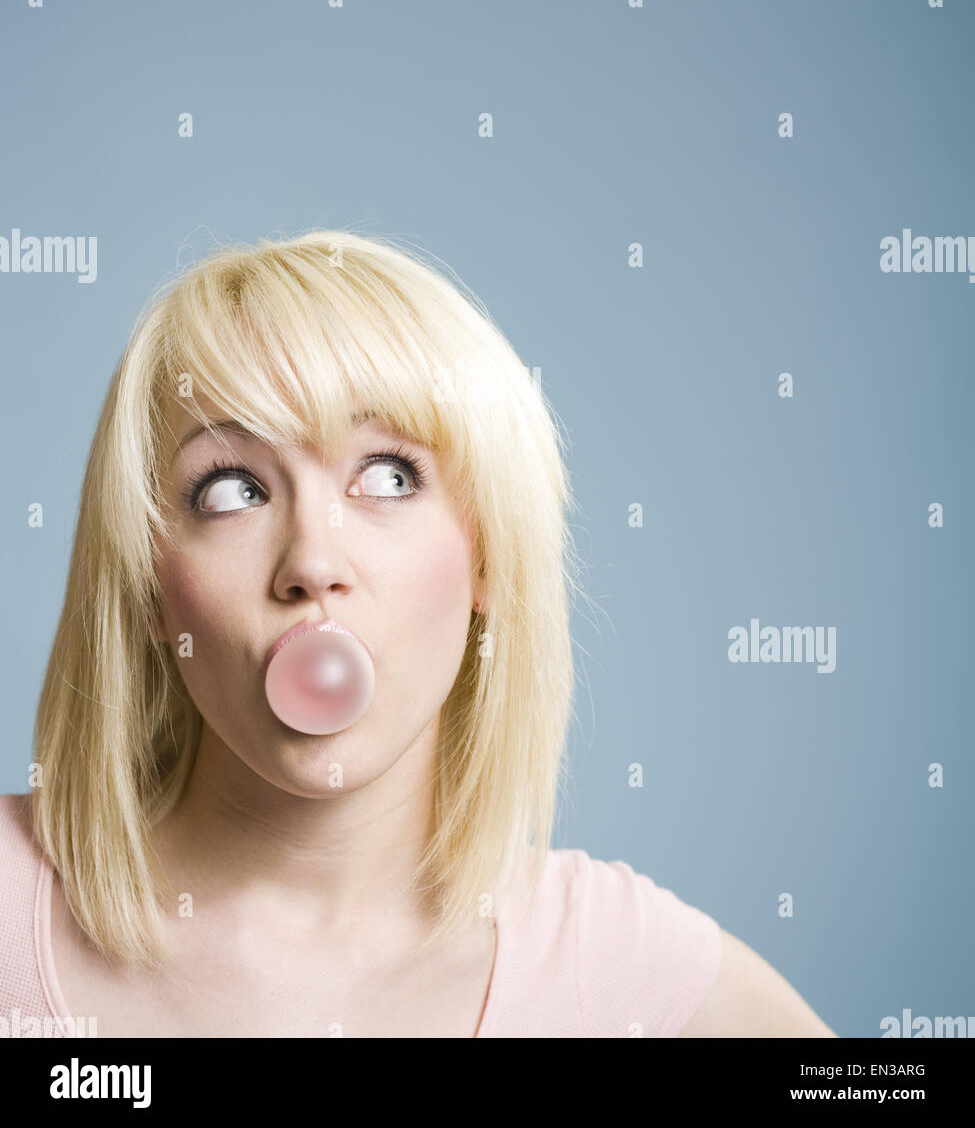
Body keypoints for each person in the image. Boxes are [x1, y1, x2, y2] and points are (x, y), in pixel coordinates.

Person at [0, 229, 835, 1037]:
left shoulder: (617, 973)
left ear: (487, 556)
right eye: (230, 489)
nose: (312, 561)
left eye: (388, 476)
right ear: (148, 584)